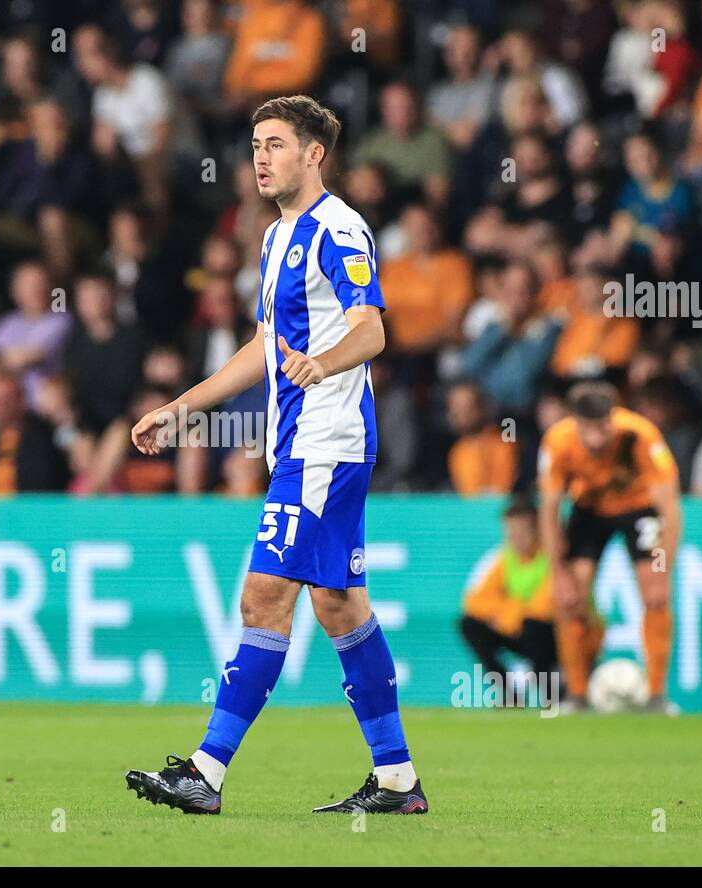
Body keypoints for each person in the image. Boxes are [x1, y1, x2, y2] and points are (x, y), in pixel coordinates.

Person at [125, 95, 426, 816]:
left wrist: (323, 363)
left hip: (326, 442)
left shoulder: (339, 227)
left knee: (263, 597)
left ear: (314, 153)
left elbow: (372, 329)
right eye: (256, 144)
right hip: (305, 442)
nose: (261, 157)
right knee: (339, 602)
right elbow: (263, 350)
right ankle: (396, 779)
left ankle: (206, 770)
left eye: (276, 144)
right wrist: (182, 407)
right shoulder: (273, 237)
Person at [537, 381, 682, 711]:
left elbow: (670, 508)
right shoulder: (557, 442)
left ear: (613, 417)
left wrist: (664, 566)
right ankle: (576, 693)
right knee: (569, 598)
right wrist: (557, 571)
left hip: (638, 508)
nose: (597, 438)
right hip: (589, 509)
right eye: (589, 429)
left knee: (656, 595)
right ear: (575, 423)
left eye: (603, 427)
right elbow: (548, 510)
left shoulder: (641, 435)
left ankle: (657, 696)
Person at [459, 496, 566, 705]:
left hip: (554, 636)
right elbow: (473, 602)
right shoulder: (506, 558)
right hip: (522, 630)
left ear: (537, 530)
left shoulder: (552, 556)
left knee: (534, 626)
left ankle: (552, 696)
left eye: (522, 533)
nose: (516, 539)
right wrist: (511, 612)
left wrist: (505, 614)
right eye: (511, 534)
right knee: (469, 625)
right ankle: (509, 694)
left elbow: (544, 608)